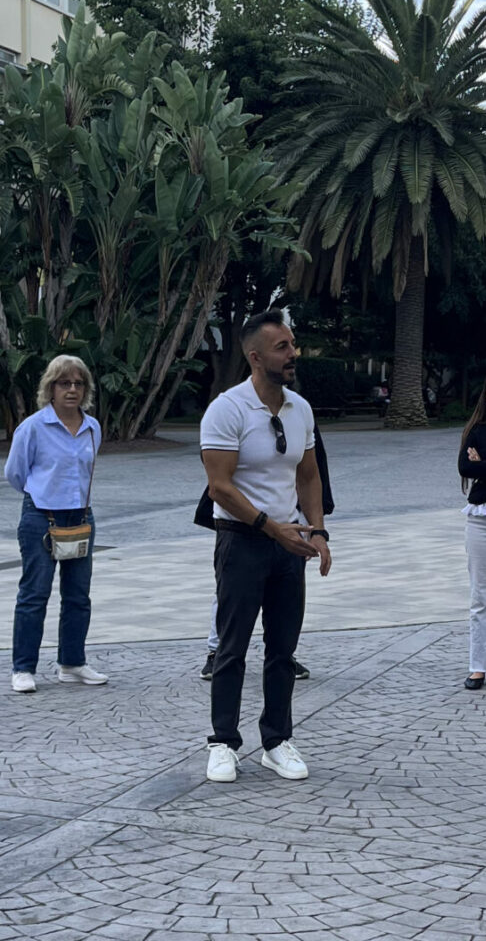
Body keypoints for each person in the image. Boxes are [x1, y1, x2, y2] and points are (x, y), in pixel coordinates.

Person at [200, 308, 331, 783]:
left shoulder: (300, 408)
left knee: (282, 649)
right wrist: (272, 527)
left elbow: (309, 475)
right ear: (255, 357)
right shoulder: (227, 409)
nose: (293, 353)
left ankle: (276, 742)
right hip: (241, 541)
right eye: (282, 347)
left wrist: (317, 532)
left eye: (292, 344)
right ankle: (222, 743)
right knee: (231, 647)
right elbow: (220, 487)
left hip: (288, 543)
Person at [197, 425, 334, 681]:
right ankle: (218, 651)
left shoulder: (299, 412)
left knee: (285, 592)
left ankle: (283, 652)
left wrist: (315, 528)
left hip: (289, 513)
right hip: (240, 523)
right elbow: (219, 471)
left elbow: (311, 470)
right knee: (232, 589)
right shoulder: (234, 412)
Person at [4, 355, 108, 693]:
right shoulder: (33, 427)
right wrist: (42, 493)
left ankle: (72, 663)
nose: (72, 389)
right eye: (64, 383)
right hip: (41, 516)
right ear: (51, 388)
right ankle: (23, 667)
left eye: (78, 383)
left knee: (78, 595)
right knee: (34, 593)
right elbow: (15, 473)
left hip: (81, 515)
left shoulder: (92, 427)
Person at [458, 369, 486, 691]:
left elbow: (478, 466)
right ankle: (478, 667)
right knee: (481, 596)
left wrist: (485, 464)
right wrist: (478, 464)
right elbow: (465, 466)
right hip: (482, 520)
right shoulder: (477, 430)